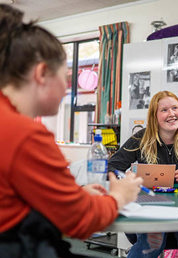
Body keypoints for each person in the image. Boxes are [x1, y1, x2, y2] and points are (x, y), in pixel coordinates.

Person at [0, 4, 143, 257]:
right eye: (65, 76)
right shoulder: (24, 134)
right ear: (42, 73)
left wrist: (73, 194)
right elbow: (80, 220)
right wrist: (120, 196)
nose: (68, 85)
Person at [108, 90, 178, 258]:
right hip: (151, 206)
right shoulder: (141, 138)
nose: (171, 114)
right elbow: (112, 168)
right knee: (152, 243)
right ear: (154, 116)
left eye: (175, 108)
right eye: (164, 110)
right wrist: (127, 178)